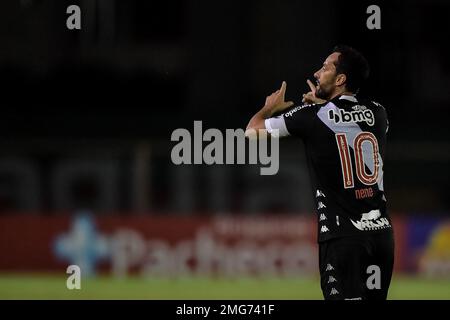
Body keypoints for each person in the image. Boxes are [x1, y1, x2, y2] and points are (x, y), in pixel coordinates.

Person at [245, 45, 394, 300]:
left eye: (325, 68)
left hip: (342, 238)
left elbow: (251, 132)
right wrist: (327, 104)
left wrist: (269, 108)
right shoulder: (378, 113)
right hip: (381, 237)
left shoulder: (311, 116)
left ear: (340, 79)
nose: (317, 73)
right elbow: (347, 123)